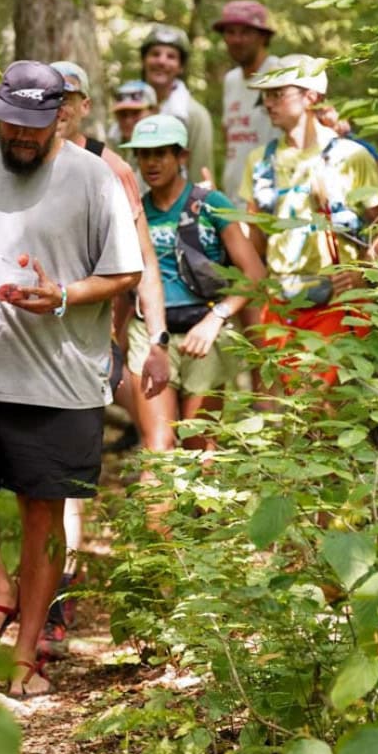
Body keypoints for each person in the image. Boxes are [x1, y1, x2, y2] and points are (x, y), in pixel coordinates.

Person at [0, 61, 169, 661]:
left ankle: (26, 654)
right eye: (11, 123)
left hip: (61, 382)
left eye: (34, 125)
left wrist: (64, 295)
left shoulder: (94, 176)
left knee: (43, 518)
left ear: (60, 115)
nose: (21, 135)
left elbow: (126, 271)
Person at [120, 115, 266, 527]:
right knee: (158, 446)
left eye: (160, 154)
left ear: (180, 156)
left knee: (201, 446)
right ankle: (160, 553)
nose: (151, 163)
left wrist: (217, 318)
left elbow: (254, 275)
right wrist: (116, 335)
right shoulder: (135, 211)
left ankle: (205, 545)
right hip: (150, 334)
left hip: (205, 332)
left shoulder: (211, 204)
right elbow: (125, 279)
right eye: (143, 155)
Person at [240, 55, 378, 387]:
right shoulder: (260, 162)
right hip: (282, 304)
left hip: (337, 302)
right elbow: (255, 243)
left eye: (278, 93)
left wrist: (363, 270)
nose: (268, 103)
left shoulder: (350, 156)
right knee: (293, 407)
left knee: (324, 404)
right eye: (266, 95)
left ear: (310, 96)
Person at [214, 0, 280, 208]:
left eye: (245, 32)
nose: (237, 40)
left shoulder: (278, 72)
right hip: (234, 196)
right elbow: (229, 134)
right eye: (230, 32)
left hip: (270, 197)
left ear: (263, 36)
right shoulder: (231, 80)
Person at [141, 25, 216, 186]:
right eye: (155, 54)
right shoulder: (129, 111)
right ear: (144, 60)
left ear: (181, 67)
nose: (161, 61)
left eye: (171, 56)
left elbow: (200, 176)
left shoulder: (194, 115)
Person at [109, 80, 158, 149]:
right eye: (122, 114)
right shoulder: (110, 144)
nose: (128, 121)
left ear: (153, 111)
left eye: (136, 113)